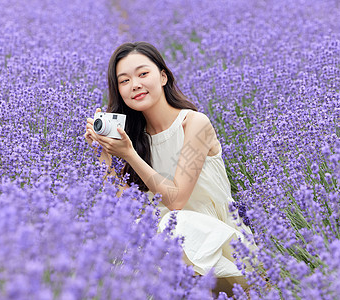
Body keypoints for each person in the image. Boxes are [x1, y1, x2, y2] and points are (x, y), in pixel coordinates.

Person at [84, 42, 256, 296]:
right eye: (124, 81)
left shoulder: (195, 123)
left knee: (177, 225)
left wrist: (129, 154)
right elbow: (126, 208)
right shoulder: (135, 138)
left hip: (218, 243)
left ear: (163, 76)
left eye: (143, 74)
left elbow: (176, 201)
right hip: (162, 247)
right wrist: (105, 155)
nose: (135, 85)